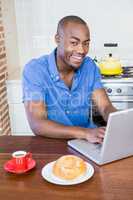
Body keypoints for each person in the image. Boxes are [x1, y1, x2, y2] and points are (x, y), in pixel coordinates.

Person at [22, 15, 116, 144]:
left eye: (86, 43)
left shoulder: (89, 66)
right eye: (74, 43)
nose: (81, 50)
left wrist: (118, 121)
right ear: (58, 39)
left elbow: (105, 107)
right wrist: (84, 133)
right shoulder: (35, 70)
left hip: (88, 142)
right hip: (52, 143)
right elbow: (37, 123)